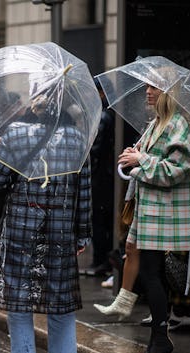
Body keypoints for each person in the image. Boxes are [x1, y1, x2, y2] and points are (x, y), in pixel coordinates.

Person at [0, 92, 92, 353]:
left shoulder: (16, 133)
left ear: (36, 105)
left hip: (20, 226)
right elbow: (84, 190)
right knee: (61, 299)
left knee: (19, 298)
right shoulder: (77, 139)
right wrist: (82, 233)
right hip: (60, 229)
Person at [117, 84, 190, 353]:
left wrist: (140, 159)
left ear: (168, 93)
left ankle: (160, 341)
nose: (147, 91)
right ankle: (156, 341)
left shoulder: (177, 124)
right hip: (152, 211)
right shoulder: (156, 123)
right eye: (145, 86)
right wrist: (134, 155)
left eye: (154, 87)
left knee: (151, 274)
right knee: (150, 274)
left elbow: (175, 170)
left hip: (165, 214)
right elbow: (150, 162)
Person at [83, 80, 115, 277]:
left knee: (98, 220)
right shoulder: (109, 114)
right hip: (107, 177)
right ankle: (105, 260)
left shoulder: (102, 116)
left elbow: (94, 151)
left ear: (101, 93)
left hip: (100, 178)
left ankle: (101, 260)